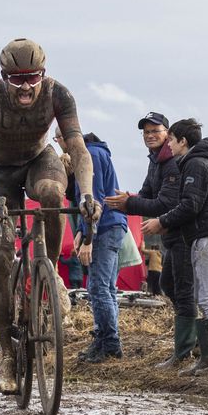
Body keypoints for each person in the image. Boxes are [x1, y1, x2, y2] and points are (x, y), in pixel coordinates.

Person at [0, 39, 101, 393]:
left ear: (43, 74)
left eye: (32, 77)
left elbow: (78, 149)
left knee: (54, 193)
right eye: (16, 78)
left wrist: (86, 193)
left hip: (39, 158)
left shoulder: (58, 94)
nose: (25, 86)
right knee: (0, 261)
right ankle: (7, 354)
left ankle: (50, 270)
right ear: (3, 77)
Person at [143, 120, 208, 374]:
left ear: (183, 141)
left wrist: (162, 221)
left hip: (207, 236)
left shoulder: (195, 164)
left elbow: (190, 205)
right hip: (204, 235)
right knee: (201, 296)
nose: (168, 145)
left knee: (205, 297)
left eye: (171, 140)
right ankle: (207, 357)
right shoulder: (195, 162)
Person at [105, 112, 192, 367]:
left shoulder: (171, 162)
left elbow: (166, 202)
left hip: (183, 232)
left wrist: (128, 203)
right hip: (171, 233)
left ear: (168, 134)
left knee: (184, 290)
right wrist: (129, 198)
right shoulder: (156, 160)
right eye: (146, 132)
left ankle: (186, 350)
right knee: (169, 284)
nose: (150, 136)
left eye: (156, 131)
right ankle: (190, 342)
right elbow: (147, 194)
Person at [73, 133, 128, 364]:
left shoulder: (90, 155)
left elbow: (93, 200)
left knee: (97, 287)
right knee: (107, 288)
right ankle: (104, 339)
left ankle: (110, 343)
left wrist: (88, 238)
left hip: (104, 226)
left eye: (60, 140)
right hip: (111, 224)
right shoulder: (96, 153)